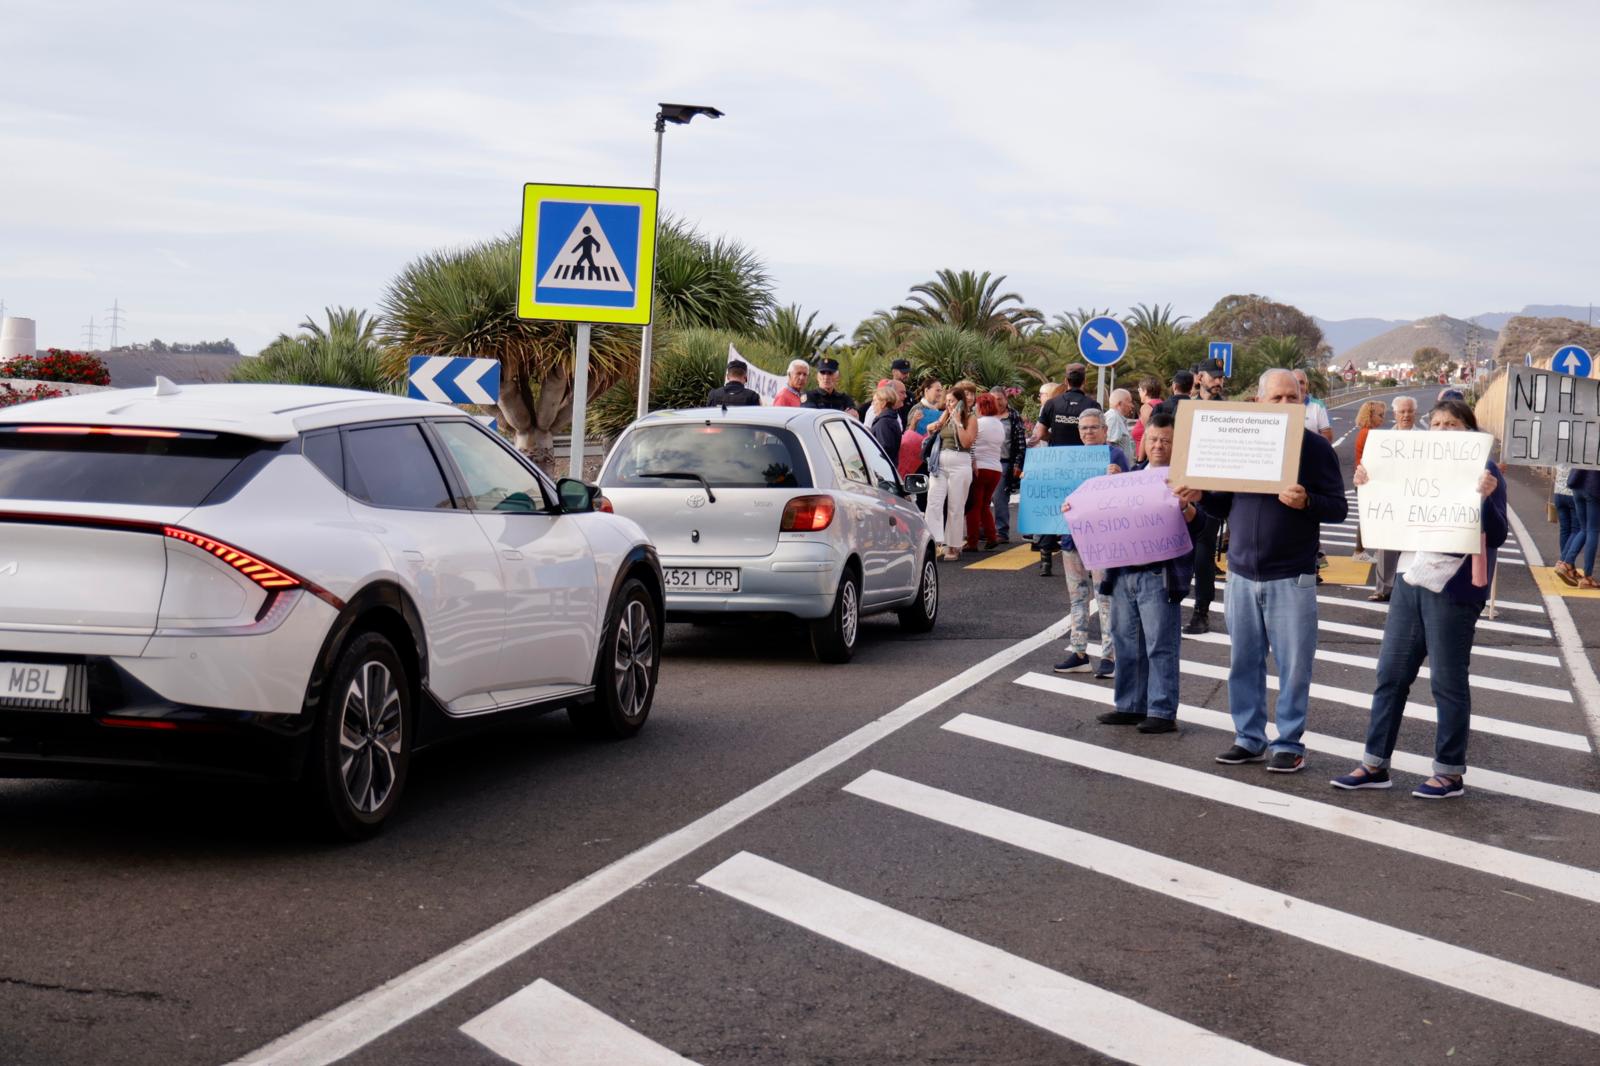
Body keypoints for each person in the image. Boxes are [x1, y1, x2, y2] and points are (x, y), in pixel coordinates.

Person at [1331, 398, 1507, 799]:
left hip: (1455, 586)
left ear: (1469, 431)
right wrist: (1368, 484)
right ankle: (1374, 764)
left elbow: (1497, 535)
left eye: (1452, 425)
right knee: (1390, 675)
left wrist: (1485, 497)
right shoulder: (1414, 464)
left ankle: (1449, 772)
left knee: (1447, 680)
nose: (1443, 430)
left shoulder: (1486, 469)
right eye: (1438, 424)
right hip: (1410, 578)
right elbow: (1387, 510)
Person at [1179, 368, 1348, 773]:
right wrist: (1201, 496)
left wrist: (1307, 501)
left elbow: (1339, 508)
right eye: (1278, 398)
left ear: (1304, 403)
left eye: (1294, 397)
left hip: (1292, 575)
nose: (1287, 404)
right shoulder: (1239, 442)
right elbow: (1222, 505)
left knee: (1293, 667)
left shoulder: (1315, 448)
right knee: (1244, 663)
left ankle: (1288, 742)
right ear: (1258, 402)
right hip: (1240, 574)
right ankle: (1248, 737)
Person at [1071, 411, 1209, 732]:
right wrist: (1076, 508)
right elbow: (1104, 515)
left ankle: (1161, 710)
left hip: (1160, 575)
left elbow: (1201, 526)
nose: (1158, 445)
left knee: (1160, 644)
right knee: (1126, 642)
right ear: (1143, 441)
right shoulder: (1130, 476)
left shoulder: (1186, 480)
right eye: (1153, 439)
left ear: (1177, 445)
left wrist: (1186, 506)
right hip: (1122, 574)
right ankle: (1131, 705)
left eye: (1166, 440)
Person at [1053, 409, 1131, 676]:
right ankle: (1079, 653)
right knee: (1077, 597)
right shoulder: (1070, 458)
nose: (1088, 432)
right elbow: (1054, 489)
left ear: (1104, 430)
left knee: (1105, 597)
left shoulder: (1115, 456)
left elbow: (1130, 496)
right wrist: (1033, 482)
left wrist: (1118, 478)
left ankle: (1110, 656)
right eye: (1084, 428)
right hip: (1071, 537)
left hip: (1102, 538)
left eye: (1093, 427)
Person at [1031, 366, 1100, 577]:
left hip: (1056, 461)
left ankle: (1045, 561)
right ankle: (1089, 561)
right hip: (1083, 463)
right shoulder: (1092, 405)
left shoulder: (1052, 404)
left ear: (1066, 381)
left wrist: (1055, 438)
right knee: (1084, 510)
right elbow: (1098, 434)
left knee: (1053, 509)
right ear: (1084, 381)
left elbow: (1040, 433)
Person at [1370, 396, 1419, 601]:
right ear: (1395, 414)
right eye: (1402, 412)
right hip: (1389, 499)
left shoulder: (1425, 439)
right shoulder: (1383, 440)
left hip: (1415, 499)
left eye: (1409, 411)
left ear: (1415, 413)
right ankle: (1383, 589)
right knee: (1386, 546)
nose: (1406, 415)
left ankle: (1409, 590)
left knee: (1412, 546)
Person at [923, 382, 978, 560]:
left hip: (960, 463)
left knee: (955, 506)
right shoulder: (945, 415)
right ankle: (934, 542)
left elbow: (967, 442)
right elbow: (933, 429)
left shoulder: (970, 418)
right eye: (946, 401)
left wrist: (958, 423)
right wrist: (932, 427)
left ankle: (953, 546)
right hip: (939, 464)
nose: (948, 404)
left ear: (961, 402)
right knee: (933, 502)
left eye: (952, 401)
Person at [965, 393, 1008, 550]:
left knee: (974, 506)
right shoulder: (999, 424)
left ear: (980, 407)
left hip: (979, 467)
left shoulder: (978, 423)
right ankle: (991, 537)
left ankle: (972, 542)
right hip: (995, 468)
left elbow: (970, 444)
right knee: (984, 505)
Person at [1350, 400, 1387, 562]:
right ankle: (1359, 551)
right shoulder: (1368, 434)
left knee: (1369, 515)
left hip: (1365, 479)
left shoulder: (1365, 432)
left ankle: (1366, 550)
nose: (1383, 418)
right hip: (1367, 480)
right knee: (1369, 516)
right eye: (1380, 415)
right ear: (1370, 415)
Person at [990, 385, 1026, 544]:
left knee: (1000, 498)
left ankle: (1001, 531)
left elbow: (1020, 443)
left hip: (1004, 462)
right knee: (983, 498)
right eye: (993, 399)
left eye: (999, 399)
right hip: (986, 461)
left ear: (1006, 399)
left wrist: (1018, 464)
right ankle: (983, 530)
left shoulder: (1013, 416)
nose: (997, 403)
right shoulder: (985, 414)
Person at [1558, 467, 1600, 589]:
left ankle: (1566, 564)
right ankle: (1587, 577)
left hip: (1577, 483)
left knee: (1584, 529)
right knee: (1593, 530)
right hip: (1594, 486)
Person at [1553, 462, 1581, 582]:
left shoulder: (1561, 452)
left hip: (1558, 492)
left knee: (1565, 530)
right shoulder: (1580, 454)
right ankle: (1563, 563)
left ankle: (1569, 568)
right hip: (1572, 494)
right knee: (1577, 530)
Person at [1293, 368, 1334, 443]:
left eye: (1301, 382)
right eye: (1294, 382)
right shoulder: (1282, 404)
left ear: (1306, 385)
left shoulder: (1318, 406)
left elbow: (1328, 436)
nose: (1298, 386)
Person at [867, 385, 904, 461]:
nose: (872, 404)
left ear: (883, 403)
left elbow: (884, 451)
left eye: (874, 401)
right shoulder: (890, 419)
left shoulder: (884, 423)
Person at [1103, 388, 1136, 460]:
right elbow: (1109, 445)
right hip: (1118, 466)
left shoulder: (1117, 418)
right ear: (1120, 404)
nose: (1132, 405)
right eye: (1130, 402)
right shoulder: (1113, 418)